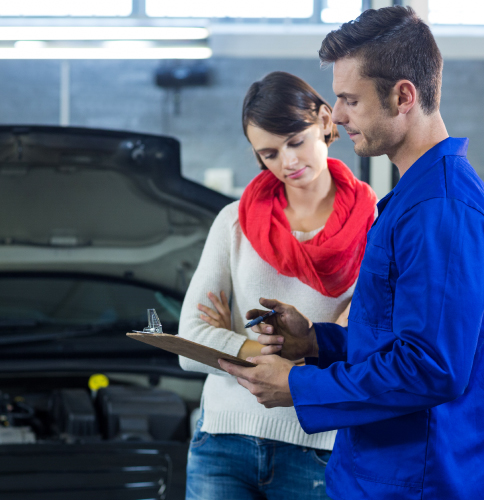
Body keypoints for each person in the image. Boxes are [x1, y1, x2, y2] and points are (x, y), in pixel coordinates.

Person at [219, 6, 484, 500]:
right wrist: (316, 343)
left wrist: (298, 388)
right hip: (373, 473)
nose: (336, 116)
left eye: (349, 100)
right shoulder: (413, 199)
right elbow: (397, 339)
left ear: (403, 96)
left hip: (415, 483)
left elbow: (433, 367)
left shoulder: (440, 209)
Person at [178, 71, 377, 500]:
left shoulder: (375, 225)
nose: (286, 163)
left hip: (319, 451)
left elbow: (361, 346)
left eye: (295, 141)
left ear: (326, 121)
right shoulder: (233, 222)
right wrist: (276, 355)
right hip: (221, 442)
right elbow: (190, 345)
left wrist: (232, 341)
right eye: (268, 153)